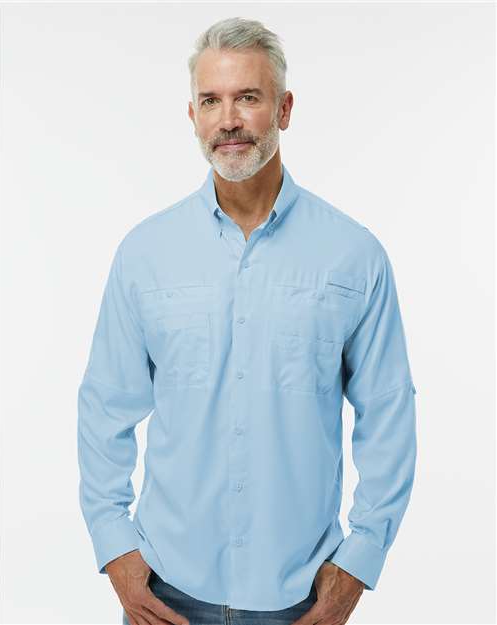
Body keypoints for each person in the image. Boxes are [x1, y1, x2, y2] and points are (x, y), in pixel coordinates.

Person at [77, 16, 417, 625]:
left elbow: (388, 414)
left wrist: (359, 563)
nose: (228, 119)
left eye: (248, 98)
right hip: (164, 590)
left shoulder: (353, 255)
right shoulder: (145, 253)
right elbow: (104, 406)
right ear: (192, 116)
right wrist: (115, 547)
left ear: (284, 109)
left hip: (300, 597)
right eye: (211, 100)